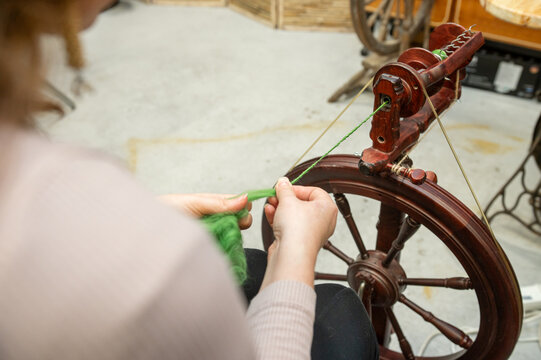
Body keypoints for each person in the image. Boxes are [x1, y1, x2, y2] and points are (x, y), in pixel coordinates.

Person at [0, 1, 378, 359]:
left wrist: (149, 214)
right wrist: (297, 252)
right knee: (340, 310)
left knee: (255, 265)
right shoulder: (157, 269)